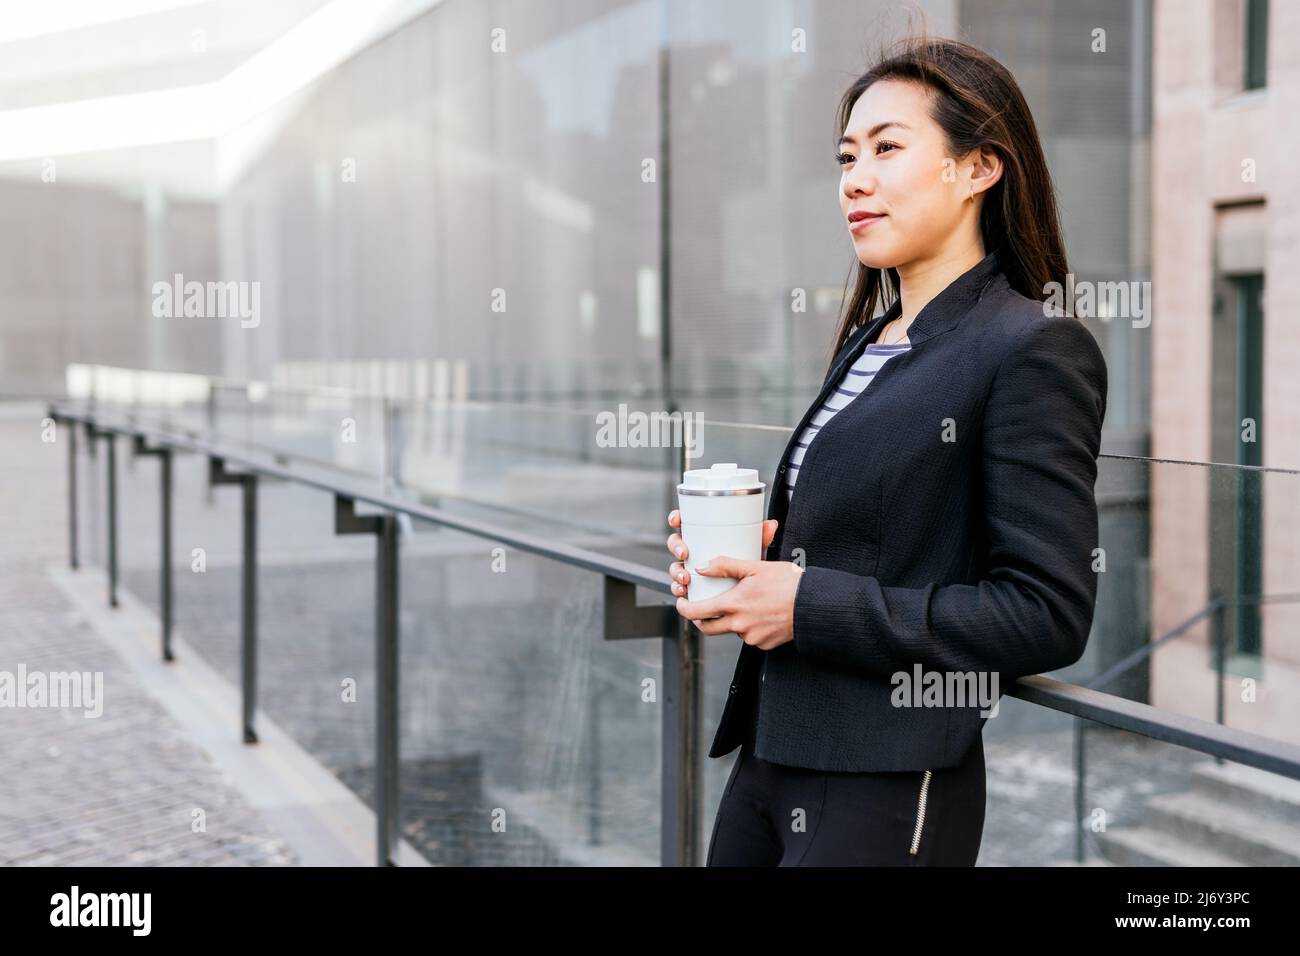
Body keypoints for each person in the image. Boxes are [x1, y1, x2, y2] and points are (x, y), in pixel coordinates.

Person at [665, 34, 1108, 866]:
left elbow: (1046, 613)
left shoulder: (1034, 348)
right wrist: (742, 570)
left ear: (979, 169)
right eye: (846, 156)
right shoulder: (869, 340)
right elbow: (864, 539)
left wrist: (804, 603)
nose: (854, 180)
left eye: (888, 149)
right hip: (770, 755)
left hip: (887, 779)